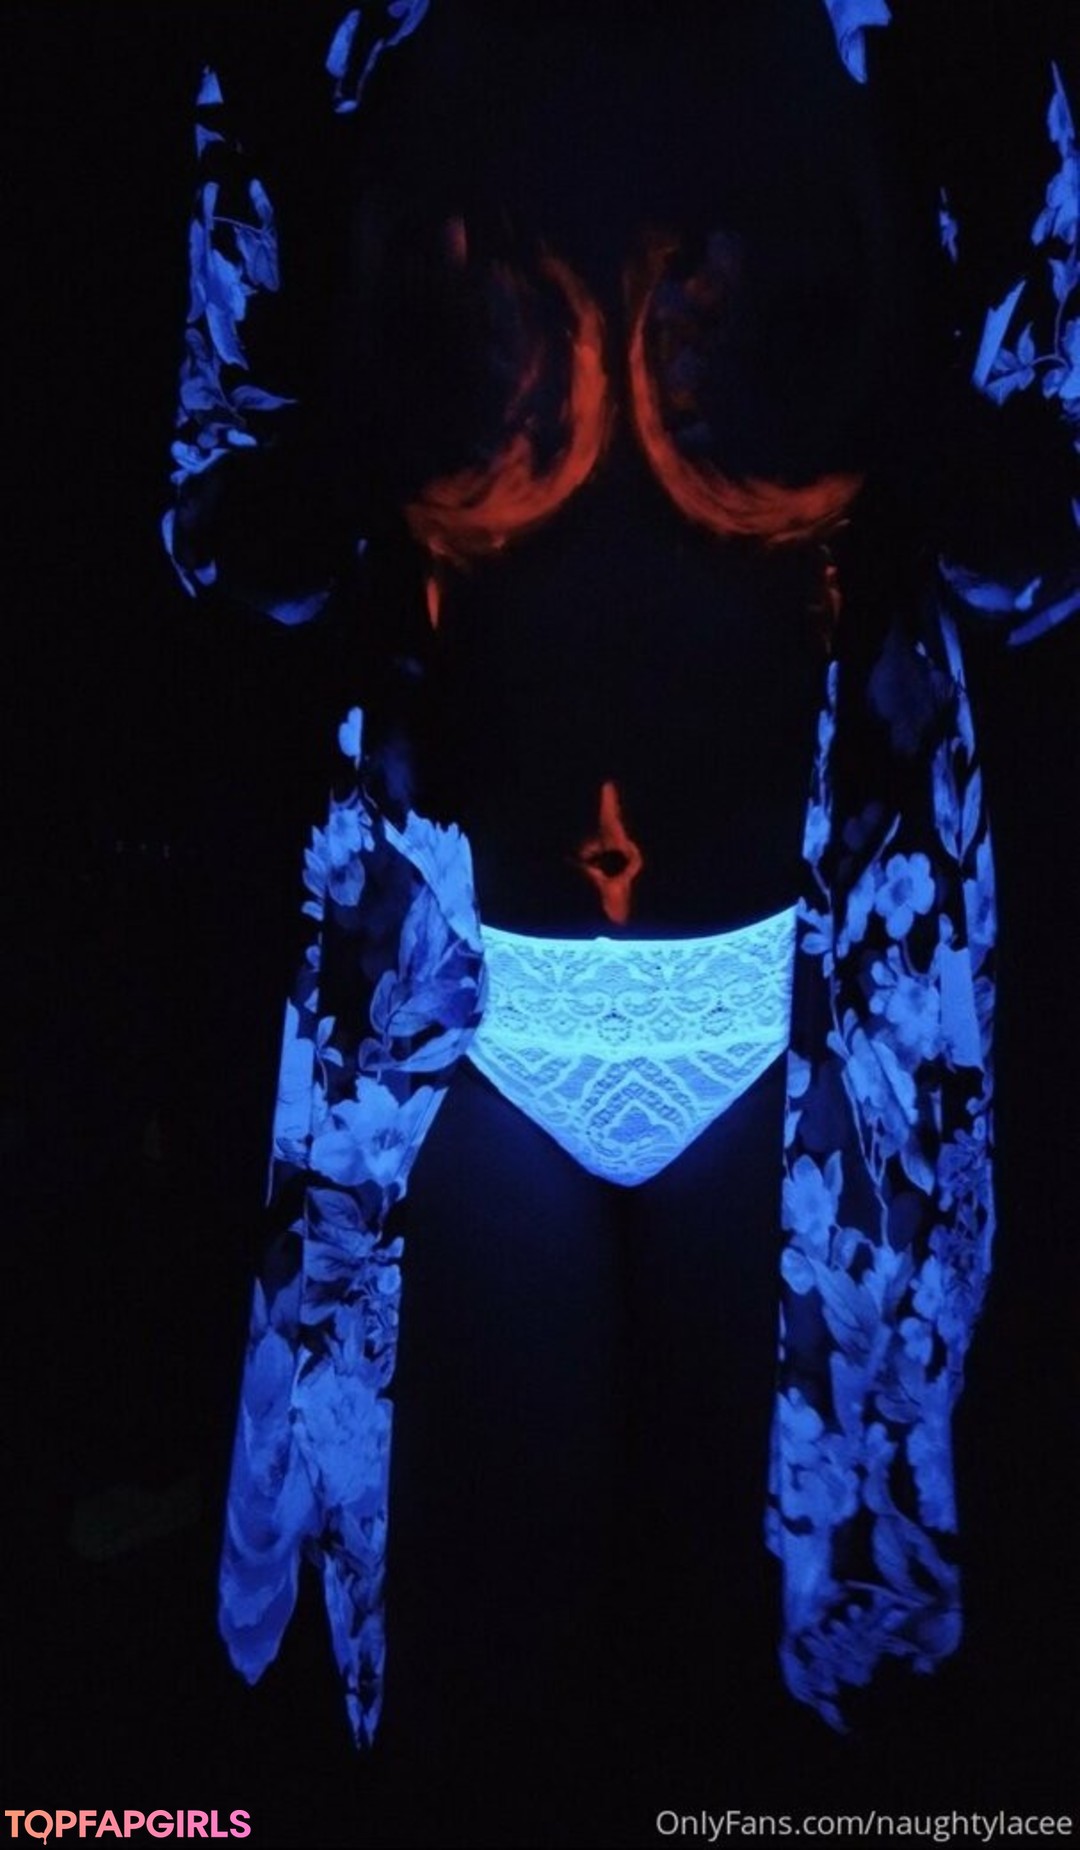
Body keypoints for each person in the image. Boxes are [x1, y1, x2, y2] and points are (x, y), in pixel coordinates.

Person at [165, 0, 1079, 1759]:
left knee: (769, 1708)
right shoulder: (311, 59)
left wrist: (950, 465)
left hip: (803, 1027)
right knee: (481, 1699)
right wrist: (336, 463)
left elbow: (1043, 510)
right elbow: (221, 503)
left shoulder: (947, 60)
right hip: (455, 1024)